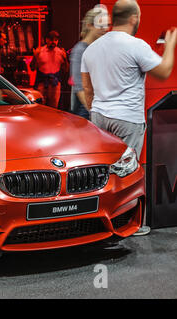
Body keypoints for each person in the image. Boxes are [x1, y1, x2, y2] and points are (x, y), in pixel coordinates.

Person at [81, 0, 177, 235]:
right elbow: (164, 71)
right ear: (134, 18)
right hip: (127, 119)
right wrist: (171, 46)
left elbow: (87, 88)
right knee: (128, 174)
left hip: (99, 118)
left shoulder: (91, 48)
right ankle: (128, 224)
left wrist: (99, 110)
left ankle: (95, 220)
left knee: (102, 172)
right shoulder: (136, 46)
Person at [69, 6, 110, 119]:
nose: (105, 29)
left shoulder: (100, 49)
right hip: (86, 112)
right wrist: (95, 114)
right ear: (89, 25)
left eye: (106, 25)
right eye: (100, 26)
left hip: (100, 108)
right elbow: (80, 89)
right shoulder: (80, 50)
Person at [30, 30, 69, 108]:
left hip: (55, 84)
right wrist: (35, 57)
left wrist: (65, 59)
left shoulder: (60, 52)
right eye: (51, 40)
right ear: (46, 40)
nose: (53, 42)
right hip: (42, 83)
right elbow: (32, 68)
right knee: (39, 107)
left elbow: (66, 70)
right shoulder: (40, 51)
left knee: (53, 108)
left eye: (56, 40)